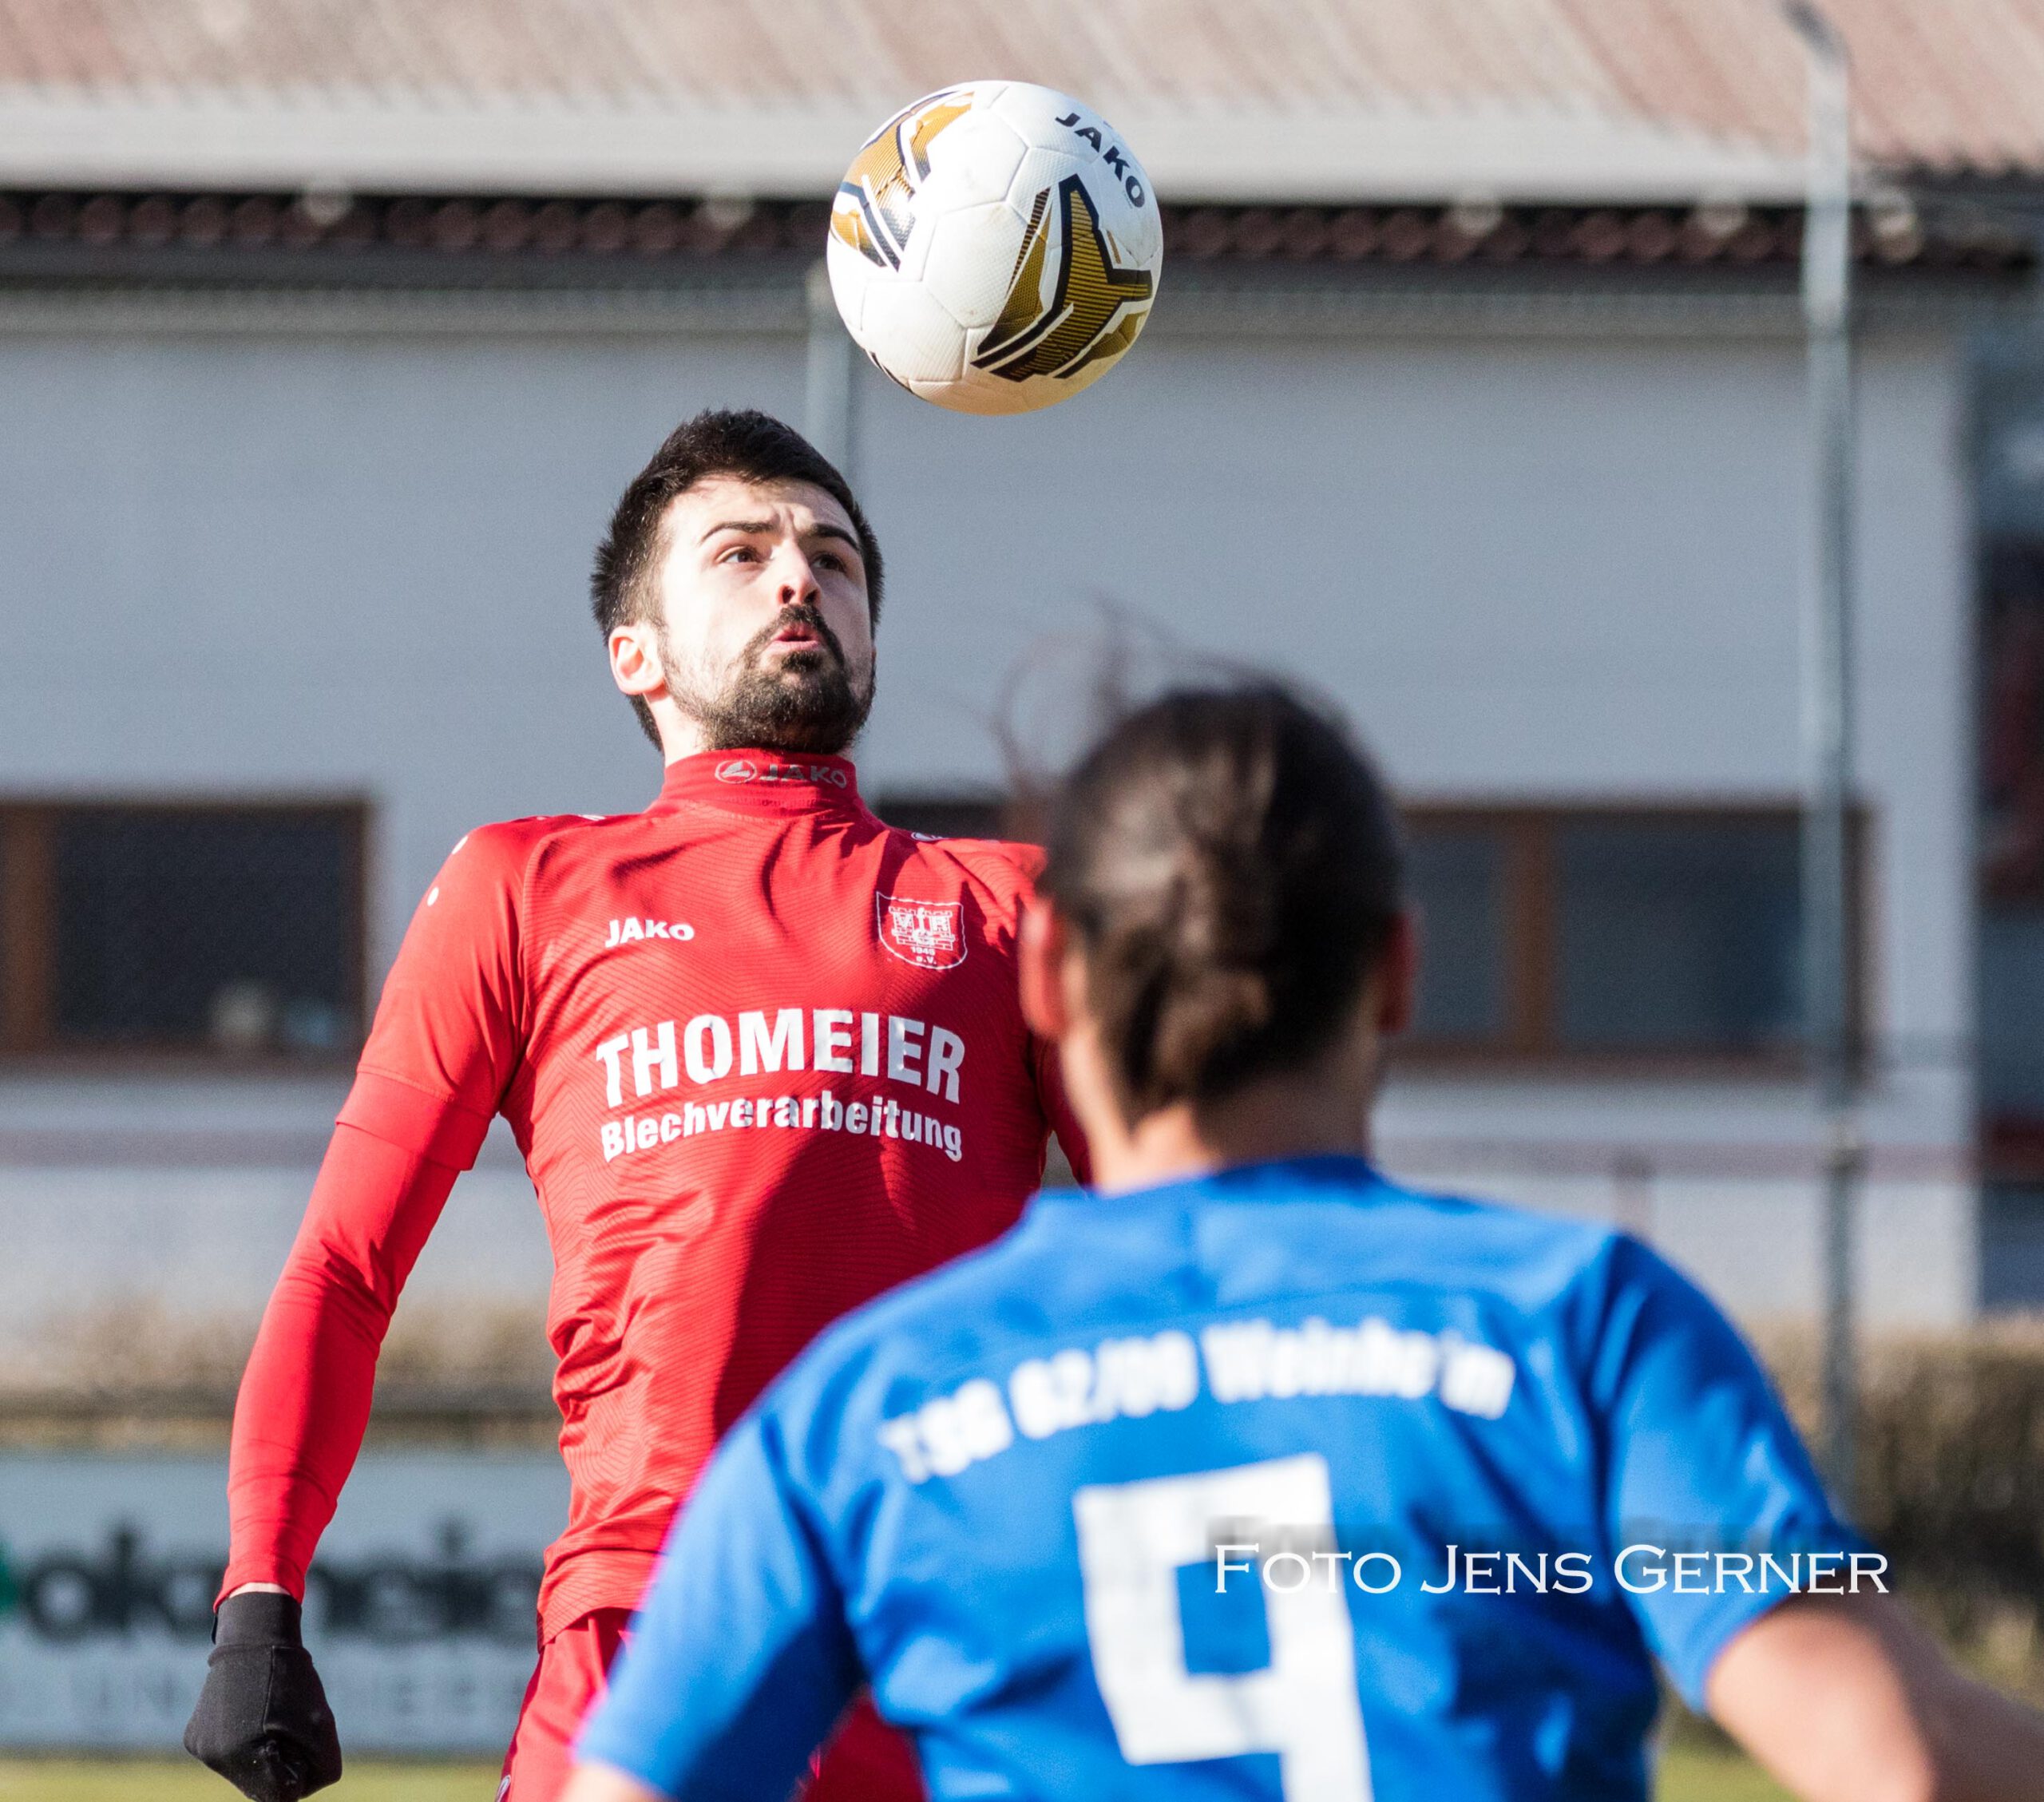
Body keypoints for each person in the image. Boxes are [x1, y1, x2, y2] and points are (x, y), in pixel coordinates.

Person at [566, 682, 2044, 1802]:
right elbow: (1895, 1754)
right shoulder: (1584, 1327)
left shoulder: (865, 1405)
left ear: (1050, 976)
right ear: (1396, 972)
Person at [183, 410, 1086, 1802]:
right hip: (644, 1625)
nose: (801, 576)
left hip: (944, 1632)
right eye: (742, 551)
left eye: (835, 557)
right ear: (636, 654)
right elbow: (344, 1269)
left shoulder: (1013, 906)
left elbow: (1203, 1244)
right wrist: (259, 1593)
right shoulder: (525, 887)